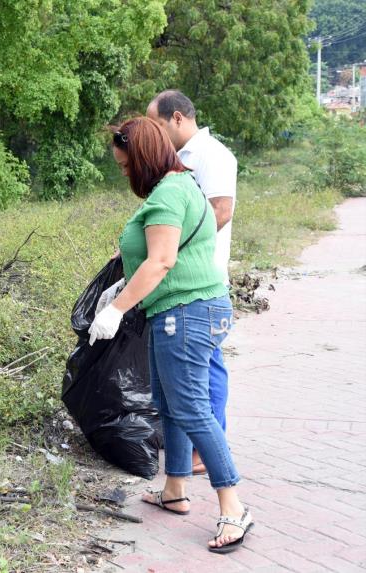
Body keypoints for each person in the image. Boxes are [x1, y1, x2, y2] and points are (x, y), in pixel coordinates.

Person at [89, 117, 252, 553]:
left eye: (125, 166)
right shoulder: (182, 186)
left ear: (141, 158)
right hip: (186, 310)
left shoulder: (166, 195)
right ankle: (175, 489)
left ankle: (233, 506)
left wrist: (116, 310)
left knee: (193, 409)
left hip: (186, 313)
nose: (124, 174)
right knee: (170, 406)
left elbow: (160, 262)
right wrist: (122, 286)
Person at [147, 91, 237, 475]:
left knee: (206, 370)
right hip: (183, 281)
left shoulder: (211, 156)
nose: (156, 132)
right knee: (196, 371)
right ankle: (183, 471)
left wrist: (170, 246)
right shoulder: (179, 160)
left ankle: (209, 450)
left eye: (158, 124)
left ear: (179, 118)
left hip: (200, 281)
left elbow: (220, 210)